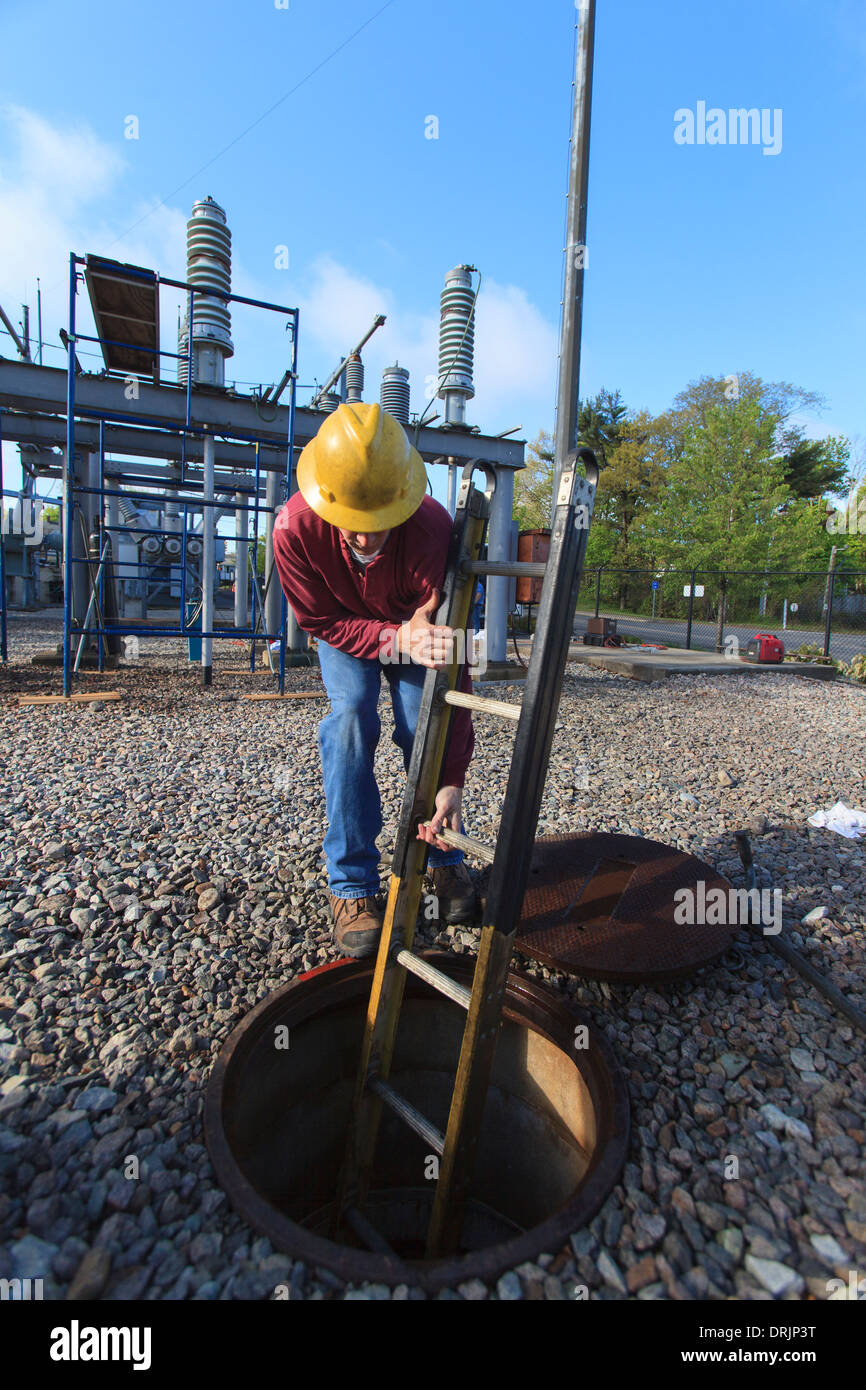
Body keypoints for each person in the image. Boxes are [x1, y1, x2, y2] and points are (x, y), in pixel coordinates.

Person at [273, 401, 477, 959]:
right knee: (350, 720)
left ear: (403, 498)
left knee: (422, 722)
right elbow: (318, 621)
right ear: (326, 502)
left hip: (419, 627)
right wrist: (391, 639)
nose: (364, 540)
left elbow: (449, 663)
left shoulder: (433, 528)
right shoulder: (294, 529)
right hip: (344, 630)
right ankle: (353, 885)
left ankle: (443, 858)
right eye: (352, 526)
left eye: (378, 523)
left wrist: (452, 773)